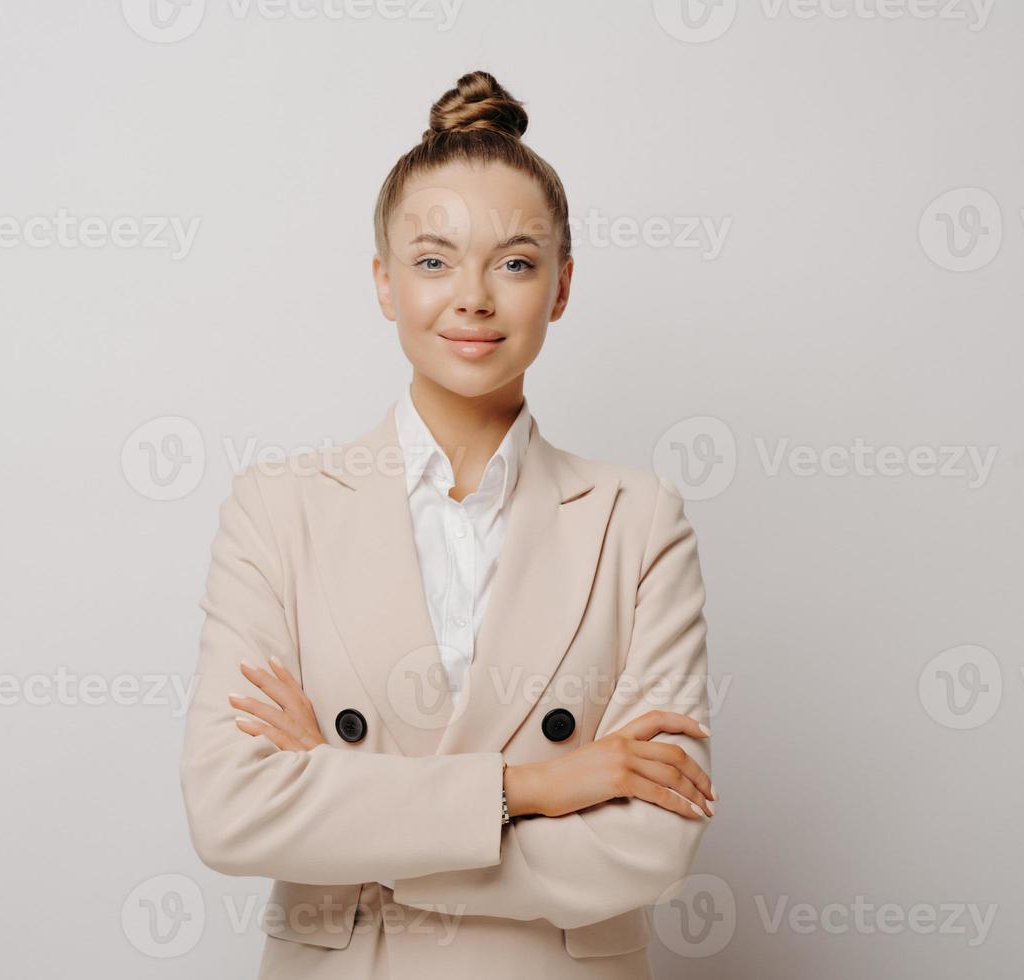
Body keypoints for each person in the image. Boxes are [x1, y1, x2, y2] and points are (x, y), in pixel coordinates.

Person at [180, 69, 715, 980]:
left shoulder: (638, 521)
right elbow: (231, 810)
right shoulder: (279, 511)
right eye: (433, 260)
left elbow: (649, 848)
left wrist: (355, 820)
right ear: (385, 284)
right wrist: (535, 789)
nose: (472, 296)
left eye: (514, 261)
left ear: (562, 285)